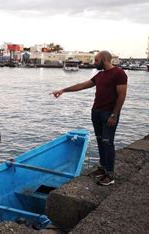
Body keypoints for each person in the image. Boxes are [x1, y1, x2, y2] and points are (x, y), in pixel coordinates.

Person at [51, 51, 127, 186]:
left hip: (109, 114)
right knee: (100, 140)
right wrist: (63, 90)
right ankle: (102, 168)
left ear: (104, 59)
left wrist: (114, 114)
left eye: (97, 60)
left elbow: (122, 95)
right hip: (96, 112)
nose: (94, 63)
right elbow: (82, 85)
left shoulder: (119, 73)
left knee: (107, 142)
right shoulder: (100, 75)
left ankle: (109, 174)